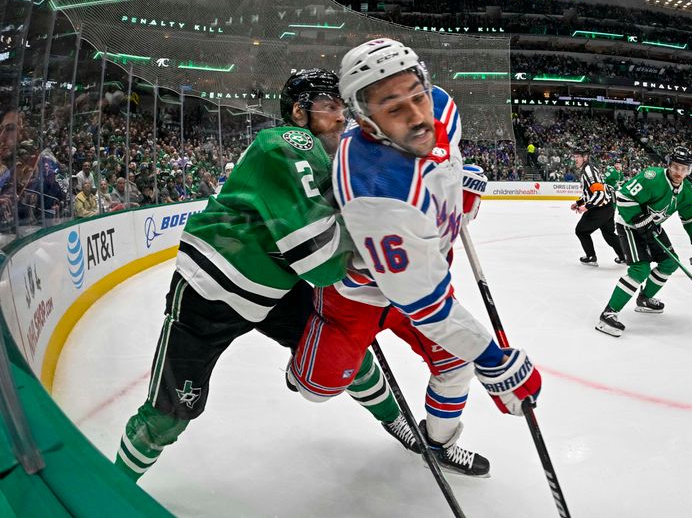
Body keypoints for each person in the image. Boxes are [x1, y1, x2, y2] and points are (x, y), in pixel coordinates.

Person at [115, 69, 417, 482]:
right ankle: (110, 488)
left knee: (340, 351)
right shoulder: (287, 142)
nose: (341, 116)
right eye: (330, 107)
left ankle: (396, 420)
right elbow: (320, 260)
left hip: (273, 288)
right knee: (167, 416)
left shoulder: (330, 158)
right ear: (298, 112)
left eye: (342, 108)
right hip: (213, 290)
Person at [287, 39, 542, 477]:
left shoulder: (439, 106)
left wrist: (457, 182)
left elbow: (444, 151)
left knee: (453, 362)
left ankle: (440, 442)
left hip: (419, 271)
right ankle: (311, 359)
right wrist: (495, 362)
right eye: (393, 106)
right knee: (316, 387)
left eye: (416, 94)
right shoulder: (376, 192)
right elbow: (426, 306)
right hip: (360, 294)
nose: (417, 115)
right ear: (365, 117)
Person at [595, 146, 692, 337]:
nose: (679, 173)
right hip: (630, 224)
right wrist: (639, 219)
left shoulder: (686, 191)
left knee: (670, 262)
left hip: (652, 226)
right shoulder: (652, 177)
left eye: (684, 169)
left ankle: (644, 299)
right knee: (641, 269)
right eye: (675, 167)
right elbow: (623, 197)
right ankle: (607, 314)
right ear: (669, 166)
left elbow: (689, 217)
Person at [570, 148, 625, 266]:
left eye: (578, 156)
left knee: (581, 231)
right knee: (609, 235)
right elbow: (590, 192)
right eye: (575, 156)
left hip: (600, 208)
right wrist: (579, 203)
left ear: (585, 157)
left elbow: (599, 193)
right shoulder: (588, 169)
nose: (575, 159)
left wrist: (587, 207)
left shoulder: (588, 171)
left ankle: (591, 257)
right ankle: (624, 256)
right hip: (607, 207)